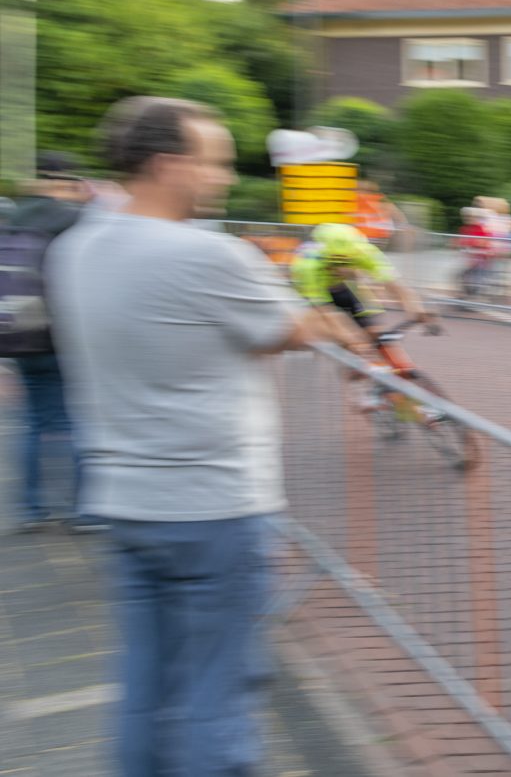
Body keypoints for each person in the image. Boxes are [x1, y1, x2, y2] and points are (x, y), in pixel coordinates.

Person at [46, 96, 350, 775]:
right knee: (219, 693)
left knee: (145, 686)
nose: (225, 178)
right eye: (214, 162)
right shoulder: (207, 254)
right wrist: (327, 297)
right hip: (214, 505)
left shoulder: (73, 248)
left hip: (124, 500)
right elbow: (292, 329)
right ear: (168, 164)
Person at [5, 152, 100, 533]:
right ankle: (84, 510)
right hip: (63, 335)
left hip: (19, 333)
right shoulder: (72, 218)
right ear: (67, 181)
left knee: (32, 422)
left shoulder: (13, 215)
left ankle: (31, 509)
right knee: (76, 419)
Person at [289, 221, 431, 343]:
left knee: (374, 332)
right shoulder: (307, 265)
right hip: (311, 287)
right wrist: (347, 337)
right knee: (335, 333)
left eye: (347, 262)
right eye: (335, 263)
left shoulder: (366, 253)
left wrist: (416, 309)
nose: (342, 268)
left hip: (343, 286)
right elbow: (323, 309)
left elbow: (396, 287)